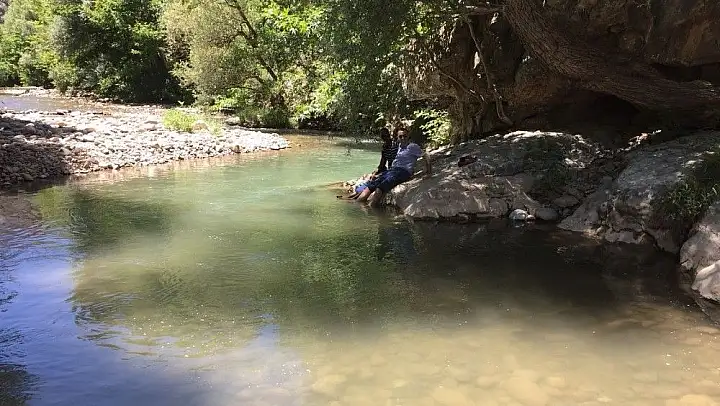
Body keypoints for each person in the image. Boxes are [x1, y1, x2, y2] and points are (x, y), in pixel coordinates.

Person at [356, 127, 431, 207]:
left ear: (408, 136)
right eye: (400, 136)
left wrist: (429, 171)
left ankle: (370, 210)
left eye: (405, 136)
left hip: (403, 171)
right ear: (397, 138)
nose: (403, 138)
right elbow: (384, 160)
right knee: (370, 186)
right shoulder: (399, 146)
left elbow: (426, 155)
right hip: (392, 170)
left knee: (380, 188)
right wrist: (376, 173)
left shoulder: (412, 146)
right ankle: (357, 209)